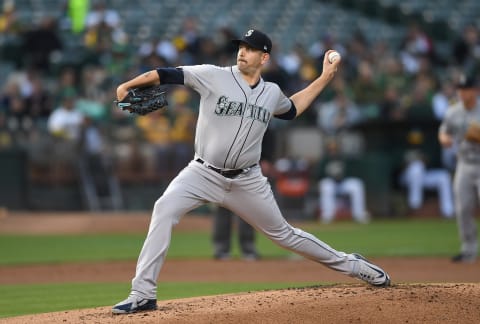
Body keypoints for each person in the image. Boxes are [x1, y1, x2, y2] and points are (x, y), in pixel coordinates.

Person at [111, 29, 391, 315]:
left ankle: (354, 265)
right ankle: (143, 293)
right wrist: (126, 86)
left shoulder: (271, 93)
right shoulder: (213, 74)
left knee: (285, 235)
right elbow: (165, 73)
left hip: (247, 180)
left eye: (251, 48)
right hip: (202, 173)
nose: (242, 52)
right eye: (241, 47)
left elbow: (293, 109)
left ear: (264, 57)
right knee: (164, 209)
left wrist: (325, 78)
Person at [438, 73, 480, 263]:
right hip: (464, 163)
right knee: (463, 208)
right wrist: (444, 139)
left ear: (475, 90)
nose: (463, 93)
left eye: (466, 89)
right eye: (460, 89)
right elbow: (443, 132)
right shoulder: (453, 111)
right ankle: (468, 250)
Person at [317, 137, 370, 224]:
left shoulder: (344, 158)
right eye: (331, 149)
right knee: (325, 186)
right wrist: (331, 177)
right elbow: (319, 175)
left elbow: (351, 171)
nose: (333, 151)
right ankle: (327, 215)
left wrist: (342, 177)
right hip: (331, 183)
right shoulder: (325, 160)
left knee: (357, 185)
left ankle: (359, 214)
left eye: (334, 149)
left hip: (343, 182)